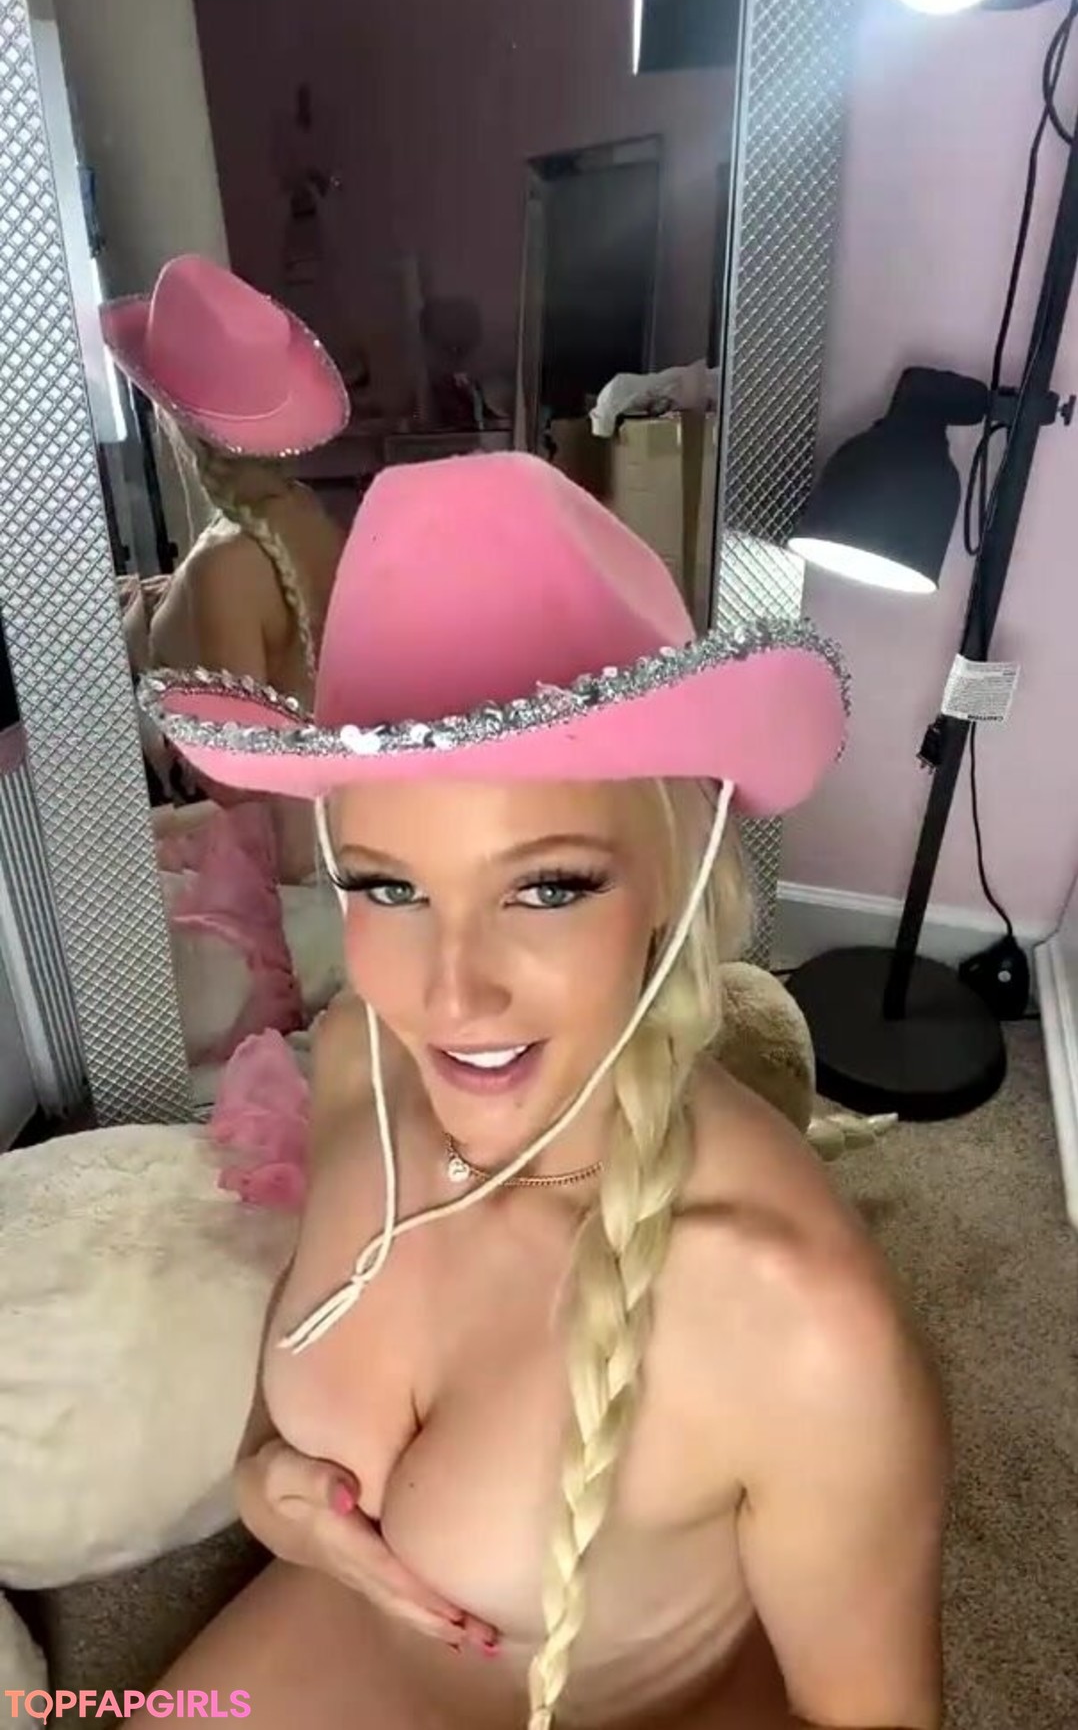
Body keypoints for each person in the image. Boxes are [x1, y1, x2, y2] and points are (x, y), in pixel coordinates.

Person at [137, 453, 948, 1730]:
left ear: (672, 879)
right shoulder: (359, 1057)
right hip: (334, 1643)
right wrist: (267, 1487)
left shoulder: (795, 1322)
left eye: (547, 885)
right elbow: (299, 1348)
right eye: (391, 885)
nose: (452, 995)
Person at [102, 253, 351, 876]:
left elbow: (238, 782)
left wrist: (154, 684)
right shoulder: (301, 513)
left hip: (283, 863)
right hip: (327, 831)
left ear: (170, 418)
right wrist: (162, 607)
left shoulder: (223, 568)